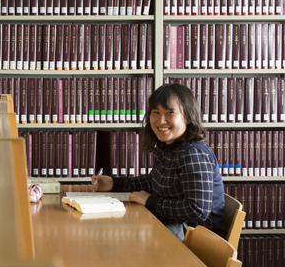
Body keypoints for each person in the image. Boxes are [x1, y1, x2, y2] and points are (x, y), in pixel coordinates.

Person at [92, 83, 226, 241]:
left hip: (198, 238)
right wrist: (114, 183)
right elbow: (153, 182)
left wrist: (150, 201)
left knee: (124, 239)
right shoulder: (168, 148)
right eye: (156, 112)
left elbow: (197, 210)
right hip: (176, 225)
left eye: (170, 113)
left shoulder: (193, 153)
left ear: (188, 117)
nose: (161, 121)